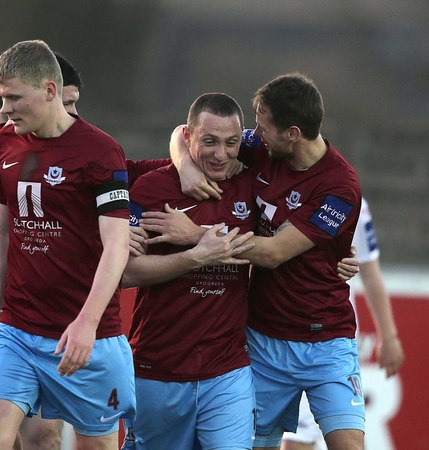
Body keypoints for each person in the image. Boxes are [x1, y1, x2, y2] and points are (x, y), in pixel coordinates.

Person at [151, 73, 364, 450]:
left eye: (264, 128)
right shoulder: (264, 149)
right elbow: (183, 133)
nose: (255, 134)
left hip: (326, 340)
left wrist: (196, 234)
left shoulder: (339, 186)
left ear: (292, 134)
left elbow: (274, 253)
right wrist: (185, 166)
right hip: (263, 340)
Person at [0, 40, 134, 450]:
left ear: (48, 90)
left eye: (13, 97)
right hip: (17, 330)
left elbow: (117, 245)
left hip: (87, 335)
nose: (4, 109)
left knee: (94, 445)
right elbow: (3, 232)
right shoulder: (3, 144)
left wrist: (87, 323)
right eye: (2, 97)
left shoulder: (100, 150)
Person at [121, 93, 258, 450]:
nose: (221, 154)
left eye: (231, 143)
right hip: (157, 366)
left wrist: (334, 255)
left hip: (227, 368)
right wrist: (195, 257)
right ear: (188, 137)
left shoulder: (253, 185)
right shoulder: (152, 188)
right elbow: (124, 274)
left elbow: (285, 239)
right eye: (209, 142)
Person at [281, 198, 405, 450]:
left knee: (310, 437)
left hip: (328, 337)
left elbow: (369, 271)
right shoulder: (269, 188)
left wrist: (389, 336)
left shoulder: (348, 199)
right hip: (274, 333)